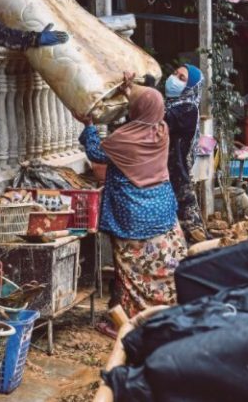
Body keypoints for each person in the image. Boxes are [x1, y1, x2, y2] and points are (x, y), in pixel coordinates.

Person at [77, 84, 187, 318]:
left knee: (132, 271)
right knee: (166, 265)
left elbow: (97, 153)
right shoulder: (162, 129)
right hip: (163, 210)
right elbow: (146, 103)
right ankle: (168, 309)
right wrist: (130, 88)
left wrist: (88, 125)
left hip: (133, 212)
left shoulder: (124, 140)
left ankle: (132, 318)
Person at [164, 64, 209, 243]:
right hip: (167, 172)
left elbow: (158, 119)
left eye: (181, 78)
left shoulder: (188, 109)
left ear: (191, 87)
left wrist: (146, 91)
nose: (174, 78)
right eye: (175, 73)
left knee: (189, 226)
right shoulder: (173, 105)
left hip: (177, 173)